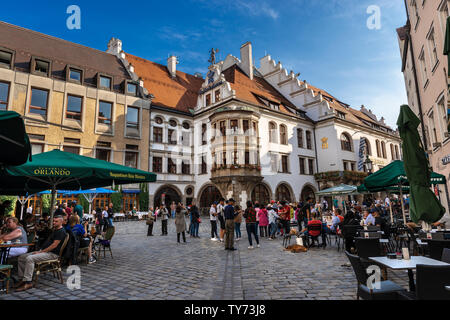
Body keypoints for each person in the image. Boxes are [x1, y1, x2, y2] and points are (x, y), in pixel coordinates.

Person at [15, 214, 67, 292]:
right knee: (21, 257)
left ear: (61, 222)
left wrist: (41, 252)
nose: (54, 223)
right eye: (53, 221)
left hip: (52, 254)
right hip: (44, 251)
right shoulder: (55, 230)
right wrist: (40, 251)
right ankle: (22, 279)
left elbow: (54, 245)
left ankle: (28, 282)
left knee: (30, 258)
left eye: (56, 221)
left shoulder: (61, 231)